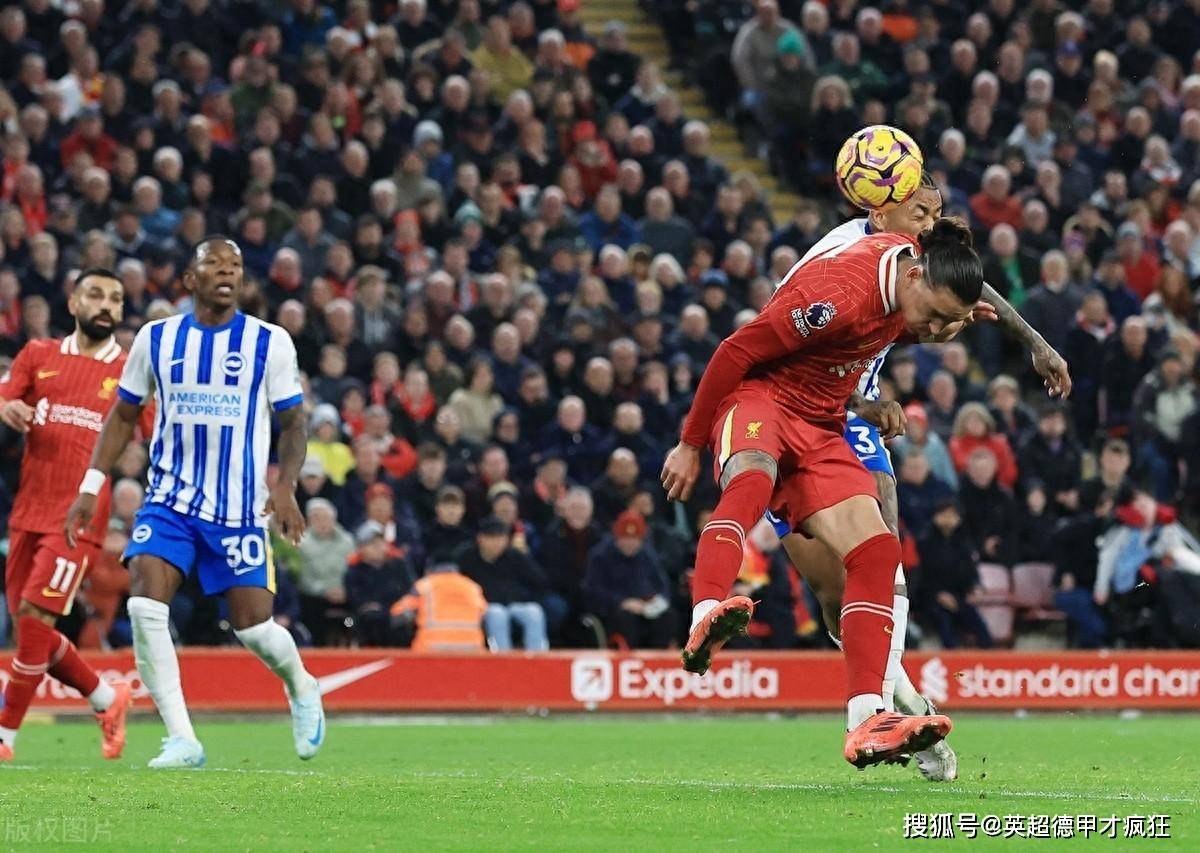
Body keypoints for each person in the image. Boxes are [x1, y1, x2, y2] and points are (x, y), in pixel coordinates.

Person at [661, 217, 988, 768]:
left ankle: (867, 719)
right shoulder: (837, 295)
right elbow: (735, 352)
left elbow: (899, 326)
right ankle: (706, 615)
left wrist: (951, 320)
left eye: (945, 324)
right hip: (761, 397)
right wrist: (691, 444)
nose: (933, 329)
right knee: (751, 479)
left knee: (878, 549)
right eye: (934, 315)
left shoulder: (914, 276)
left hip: (821, 422)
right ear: (913, 278)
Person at [65, 238, 324, 768]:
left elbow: (293, 422)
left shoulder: (269, 342)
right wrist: (91, 487)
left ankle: (301, 685)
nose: (226, 274)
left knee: (254, 629)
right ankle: (183, 738)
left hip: (239, 510)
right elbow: (121, 415)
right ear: (190, 280)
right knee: (143, 604)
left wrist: (285, 487)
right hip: (170, 501)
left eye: (235, 267)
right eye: (215, 266)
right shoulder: (156, 339)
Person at [0, 269, 136, 764]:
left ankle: (4, 738)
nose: (106, 305)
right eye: (95, 295)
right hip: (27, 509)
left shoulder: (129, 372)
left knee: (37, 616)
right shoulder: (38, 354)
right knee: (29, 631)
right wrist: (6, 407)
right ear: (74, 301)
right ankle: (105, 697)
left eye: (116, 299)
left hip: (79, 516)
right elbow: (6, 395)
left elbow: (156, 435)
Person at [581, 510, 677, 649]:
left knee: (668, 616)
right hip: (614, 611)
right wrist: (621, 602)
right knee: (626, 619)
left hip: (646, 609)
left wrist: (657, 601)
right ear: (617, 537)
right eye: (625, 539)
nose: (630, 543)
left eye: (634, 539)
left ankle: (658, 659)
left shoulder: (648, 555)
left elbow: (663, 586)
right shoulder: (600, 556)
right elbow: (592, 592)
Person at [456, 515, 550, 651]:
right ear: (480, 538)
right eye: (491, 537)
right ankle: (502, 659)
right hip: (483, 607)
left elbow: (540, 581)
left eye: (501, 537)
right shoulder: (466, 557)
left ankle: (537, 659)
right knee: (497, 614)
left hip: (513, 604)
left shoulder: (514, 556)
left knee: (534, 612)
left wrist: (524, 597)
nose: (496, 543)